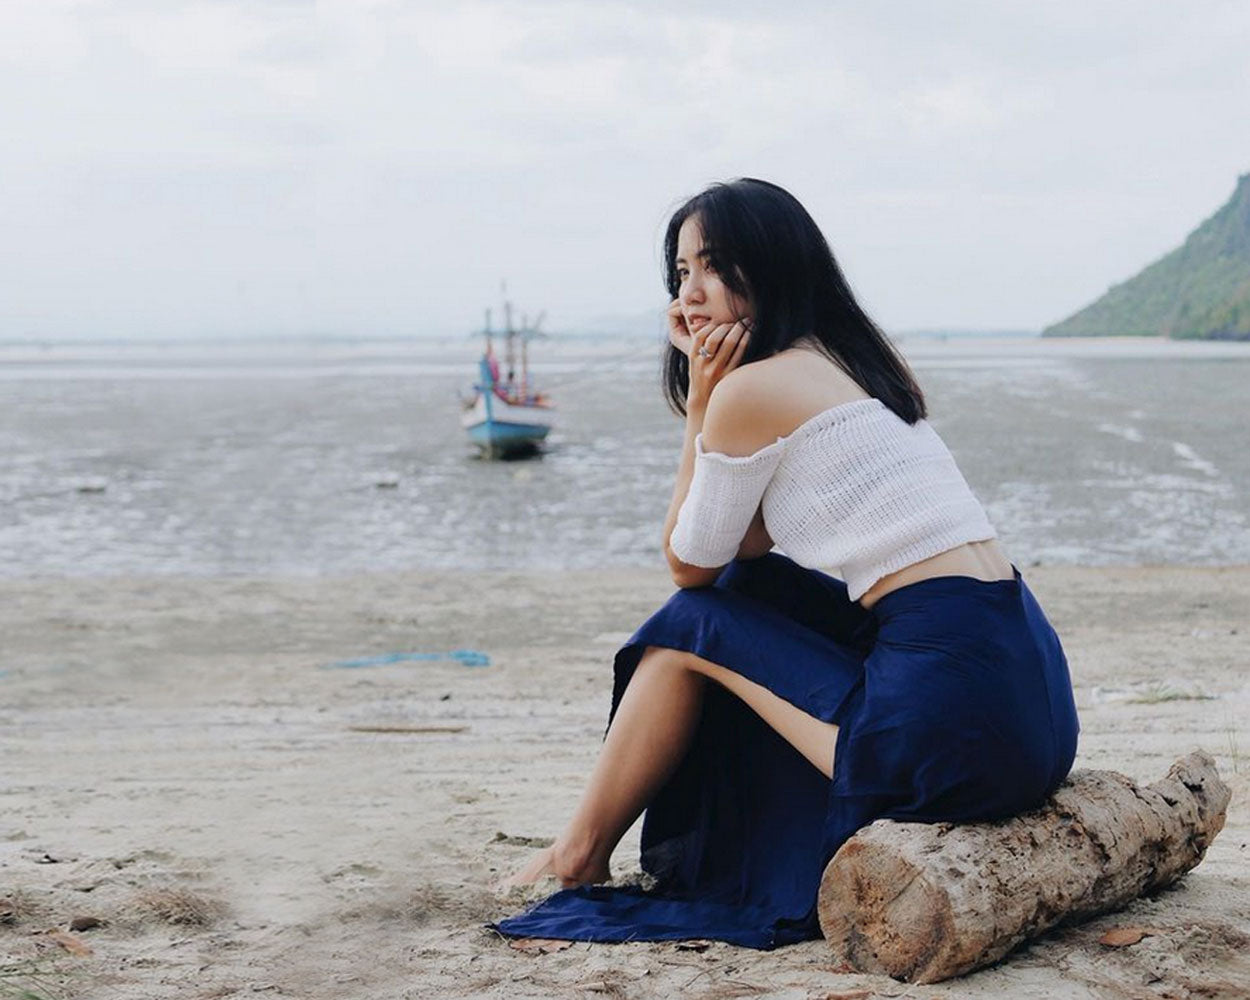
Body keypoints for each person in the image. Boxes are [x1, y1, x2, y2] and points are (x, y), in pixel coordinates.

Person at [486, 178, 1080, 949]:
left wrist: (702, 407)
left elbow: (686, 566)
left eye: (711, 266)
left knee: (684, 627)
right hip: (1032, 712)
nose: (688, 294)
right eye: (679, 272)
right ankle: (592, 847)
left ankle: (577, 854)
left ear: (769, 268)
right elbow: (746, 547)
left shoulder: (751, 393)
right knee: (747, 588)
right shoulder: (857, 363)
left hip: (943, 736)